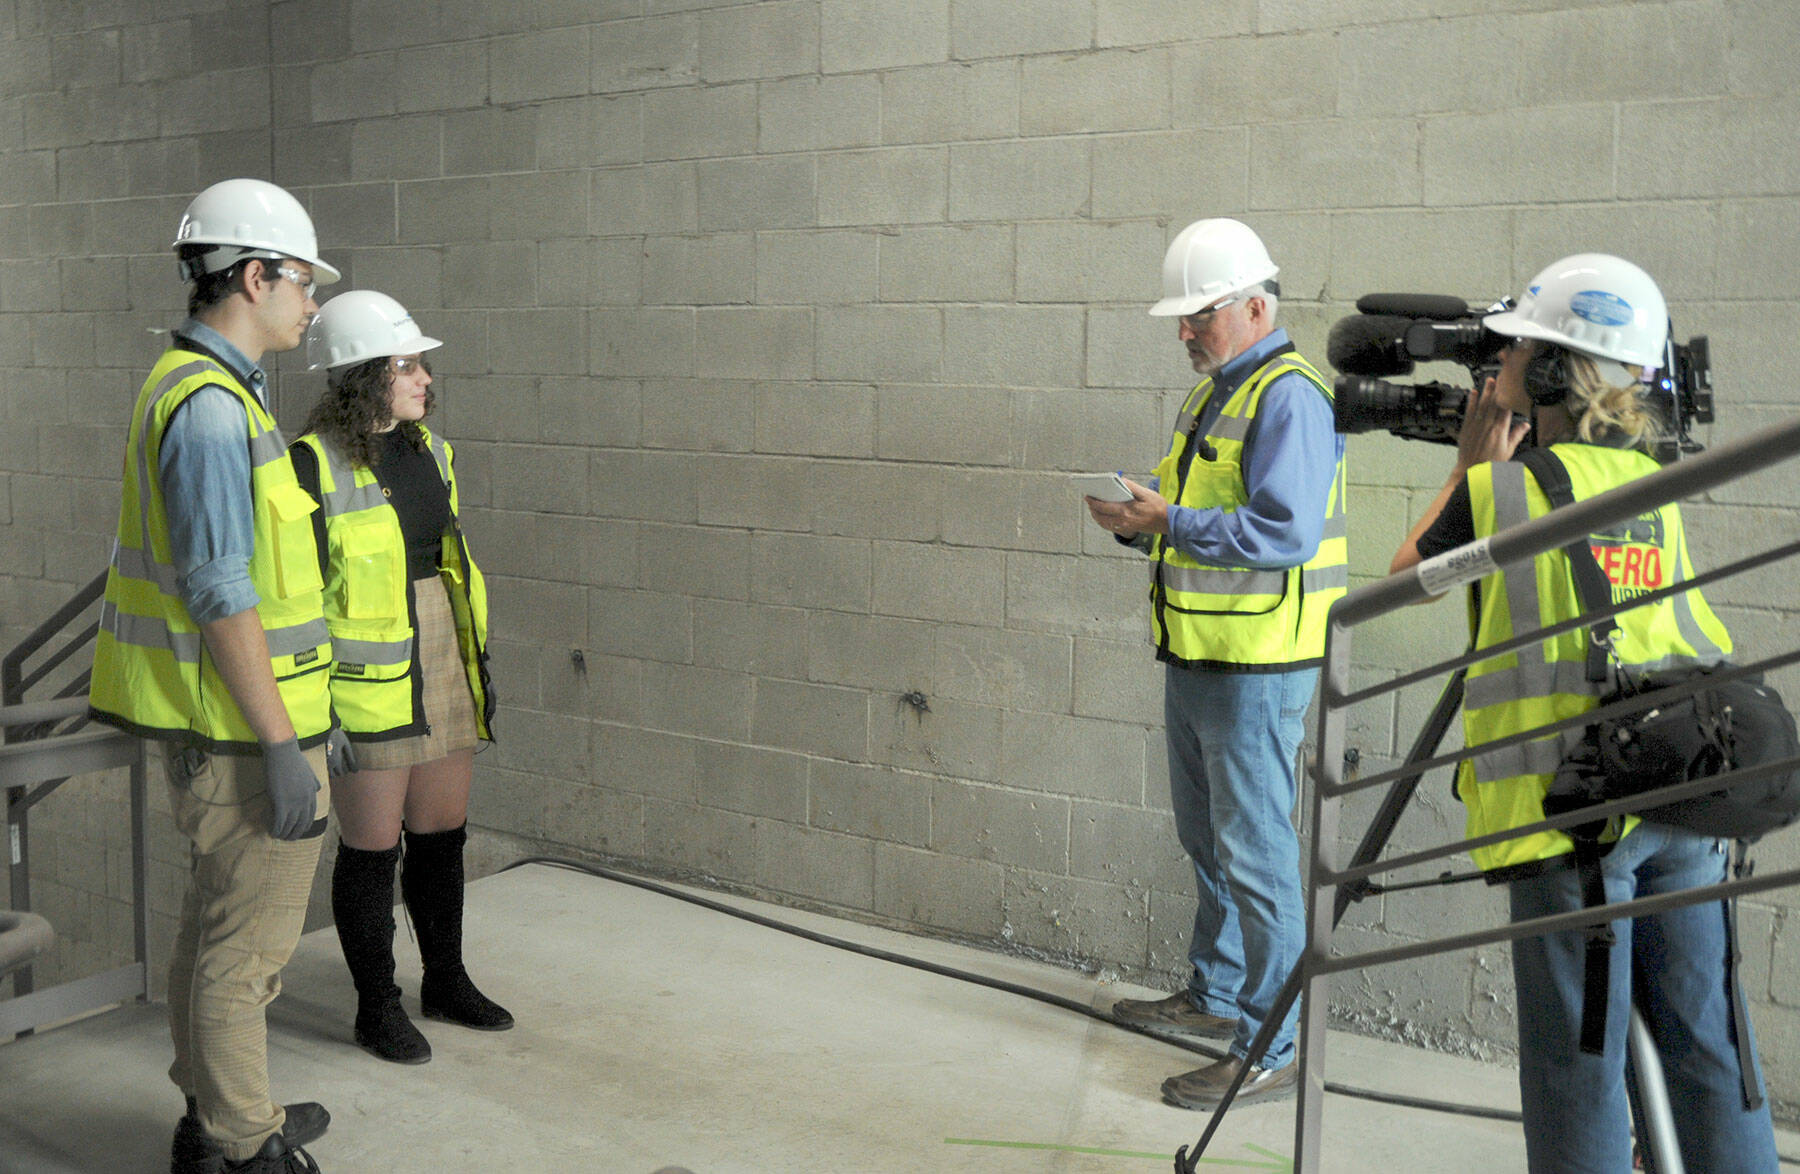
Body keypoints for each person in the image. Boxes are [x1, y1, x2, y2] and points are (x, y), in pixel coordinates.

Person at [1389, 253, 1780, 1171]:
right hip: (1682, 787)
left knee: (1580, 1064)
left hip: (1569, 809)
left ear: (1557, 369)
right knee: (1707, 1041)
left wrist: (1468, 469)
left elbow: (1403, 581)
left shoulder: (1502, 490)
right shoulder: (1649, 472)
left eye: (1523, 344)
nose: (1506, 356)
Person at [88, 178, 343, 1173]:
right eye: (300, 281)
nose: (311, 303)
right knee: (248, 954)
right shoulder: (207, 411)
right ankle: (246, 1145)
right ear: (251, 275)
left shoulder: (210, 391)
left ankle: (216, 1116)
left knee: (213, 931)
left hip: (236, 725)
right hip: (243, 738)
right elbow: (220, 590)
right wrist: (284, 746)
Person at [1085, 218, 1348, 1108]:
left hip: (1259, 664)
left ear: (1256, 305)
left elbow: (1284, 532)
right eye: (1183, 317)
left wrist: (1168, 524)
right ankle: (1217, 996)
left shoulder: (1291, 396)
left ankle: (1269, 1043)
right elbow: (1190, 517)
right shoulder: (1208, 398)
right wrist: (1140, 526)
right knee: (1209, 842)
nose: (1187, 331)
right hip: (1199, 655)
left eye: (1201, 314)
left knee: (1259, 854)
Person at [289, 290, 506, 1067]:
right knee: (373, 847)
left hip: (442, 648)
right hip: (365, 678)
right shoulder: (312, 462)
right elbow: (300, 596)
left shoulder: (432, 451)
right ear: (361, 375)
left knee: (442, 834)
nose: (423, 378)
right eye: (406, 364)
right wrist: (317, 711)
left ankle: (444, 981)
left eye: (420, 363)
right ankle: (376, 1006)